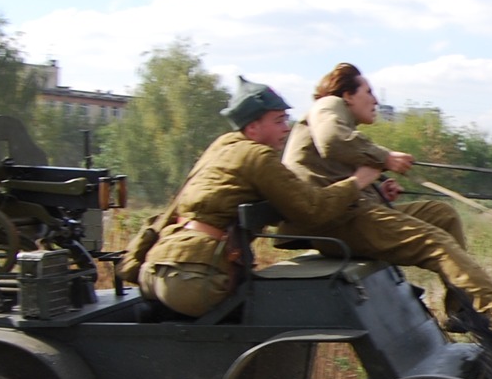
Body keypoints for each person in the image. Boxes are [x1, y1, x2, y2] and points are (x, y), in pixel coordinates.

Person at [134, 78, 381, 317]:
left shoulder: (223, 145)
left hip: (158, 269)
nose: (286, 128)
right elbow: (312, 209)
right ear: (253, 128)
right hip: (197, 281)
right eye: (278, 121)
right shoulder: (258, 156)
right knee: (286, 312)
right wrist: (358, 181)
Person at [281, 62, 492, 320]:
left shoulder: (339, 121)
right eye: (369, 92)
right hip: (335, 221)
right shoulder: (329, 105)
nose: (375, 100)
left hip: (345, 214)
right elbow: (332, 142)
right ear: (347, 95)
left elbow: (334, 174)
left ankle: (461, 309)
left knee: (441, 214)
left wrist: (378, 190)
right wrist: (385, 158)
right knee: (433, 241)